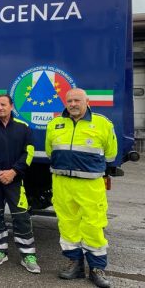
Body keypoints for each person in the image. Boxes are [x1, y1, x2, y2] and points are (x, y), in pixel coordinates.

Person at [45, 88, 117, 288]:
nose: (73, 104)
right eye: (69, 101)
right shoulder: (55, 124)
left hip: (90, 184)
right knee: (67, 224)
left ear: (87, 101)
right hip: (62, 183)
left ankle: (96, 269)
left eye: (77, 100)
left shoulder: (102, 123)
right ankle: (74, 264)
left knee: (93, 225)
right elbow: (51, 151)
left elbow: (111, 154)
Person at [0, 94, 41, 274]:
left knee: (21, 217)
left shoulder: (23, 127)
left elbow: (28, 153)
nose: (0, 108)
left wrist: (13, 172)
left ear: (11, 106)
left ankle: (28, 255)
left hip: (15, 180)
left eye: (3, 104)